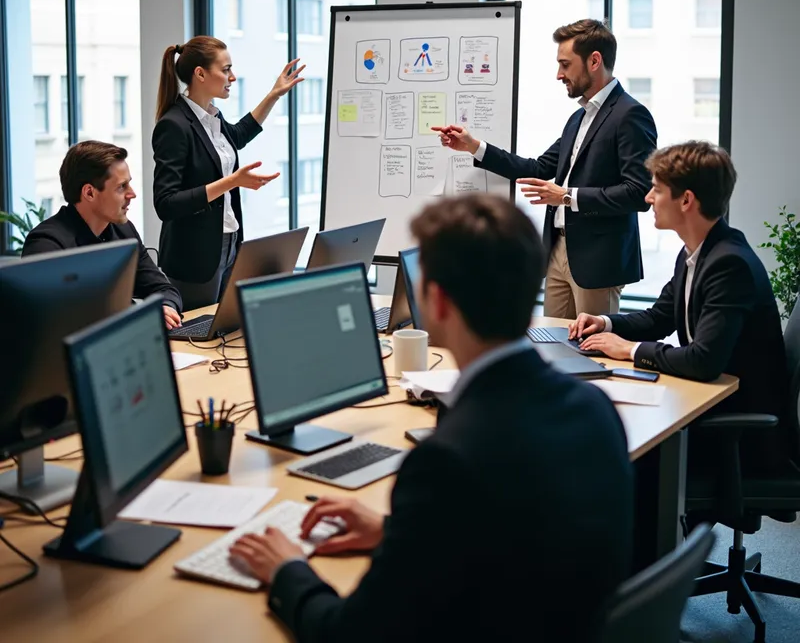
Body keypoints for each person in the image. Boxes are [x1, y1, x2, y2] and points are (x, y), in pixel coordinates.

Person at [230, 194, 634, 642]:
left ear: (437, 302)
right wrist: (393, 534)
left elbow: (349, 634)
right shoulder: (594, 409)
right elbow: (514, 541)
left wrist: (287, 570)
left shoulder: (447, 462)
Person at [571, 141, 791, 465]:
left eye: (656, 190)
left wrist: (629, 350)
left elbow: (703, 361)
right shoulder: (696, 252)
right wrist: (606, 323)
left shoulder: (729, 264)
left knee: (615, 444)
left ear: (686, 199)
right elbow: (660, 318)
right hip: (710, 405)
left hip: (739, 435)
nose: (648, 198)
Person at [433, 19, 657, 319]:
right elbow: (538, 167)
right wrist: (473, 146)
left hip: (598, 262)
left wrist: (567, 196)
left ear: (594, 61)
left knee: (592, 353)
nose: (559, 74)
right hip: (558, 252)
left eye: (565, 64)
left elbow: (639, 193)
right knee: (551, 344)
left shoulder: (630, 115)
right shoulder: (578, 119)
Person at [152, 36, 304, 310]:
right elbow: (165, 203)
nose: (232, 77)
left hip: (229, 242)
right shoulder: (173, 125)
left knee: (224, 331)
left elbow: (239, 134)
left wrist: (273, 94)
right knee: (198, 336)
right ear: (200, 74)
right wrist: (231, 182)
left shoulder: (212, 117)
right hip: (194, 257)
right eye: (225, 70)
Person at [22, 141, 182, 329]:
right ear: (89, 192)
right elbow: (57, 322)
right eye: (122, 187)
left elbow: (163, 288)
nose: (132, 194)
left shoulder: (124, 230)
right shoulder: (46, 245)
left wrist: (165, 307)